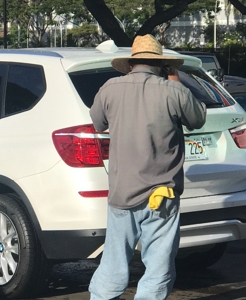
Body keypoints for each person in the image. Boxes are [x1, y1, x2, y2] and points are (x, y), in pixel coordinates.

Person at [88, 34, 207, 300]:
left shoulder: (110, 88)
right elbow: (197, 119)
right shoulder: (173, 91)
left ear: (131, 63)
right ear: (162, 65)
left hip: (123, 192)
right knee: (158, 265)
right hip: (162, 194)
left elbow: (97, 123)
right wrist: (174, 78)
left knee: (114, 261)